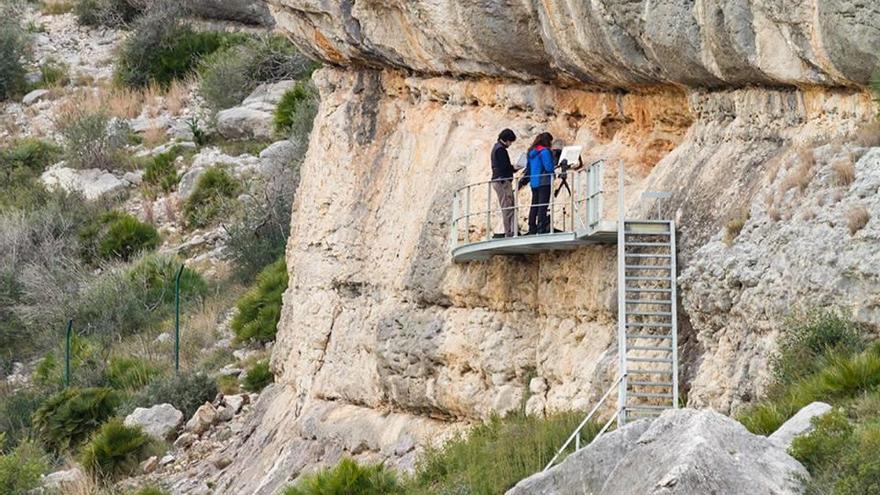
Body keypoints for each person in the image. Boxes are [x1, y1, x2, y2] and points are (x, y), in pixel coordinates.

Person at [490, 128, 517, 237]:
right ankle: (510, 232)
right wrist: (514, 168)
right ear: (506, 139)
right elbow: (504, 167)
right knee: (508, 206)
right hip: (502, 181)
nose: (510, 144)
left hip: (498, 180)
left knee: (506, 205)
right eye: (510, 141)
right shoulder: (501, 150)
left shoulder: (495, 148)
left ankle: (510, 231)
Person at [527, 132, 555, 235]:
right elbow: (548, 167)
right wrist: (553, 168)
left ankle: (532, 227)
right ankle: (541, 227)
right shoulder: (544, 151)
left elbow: (528, 168)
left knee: (534, 205)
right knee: (543, 205)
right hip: (544, 181)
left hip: (534, 182)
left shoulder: (531, 152)